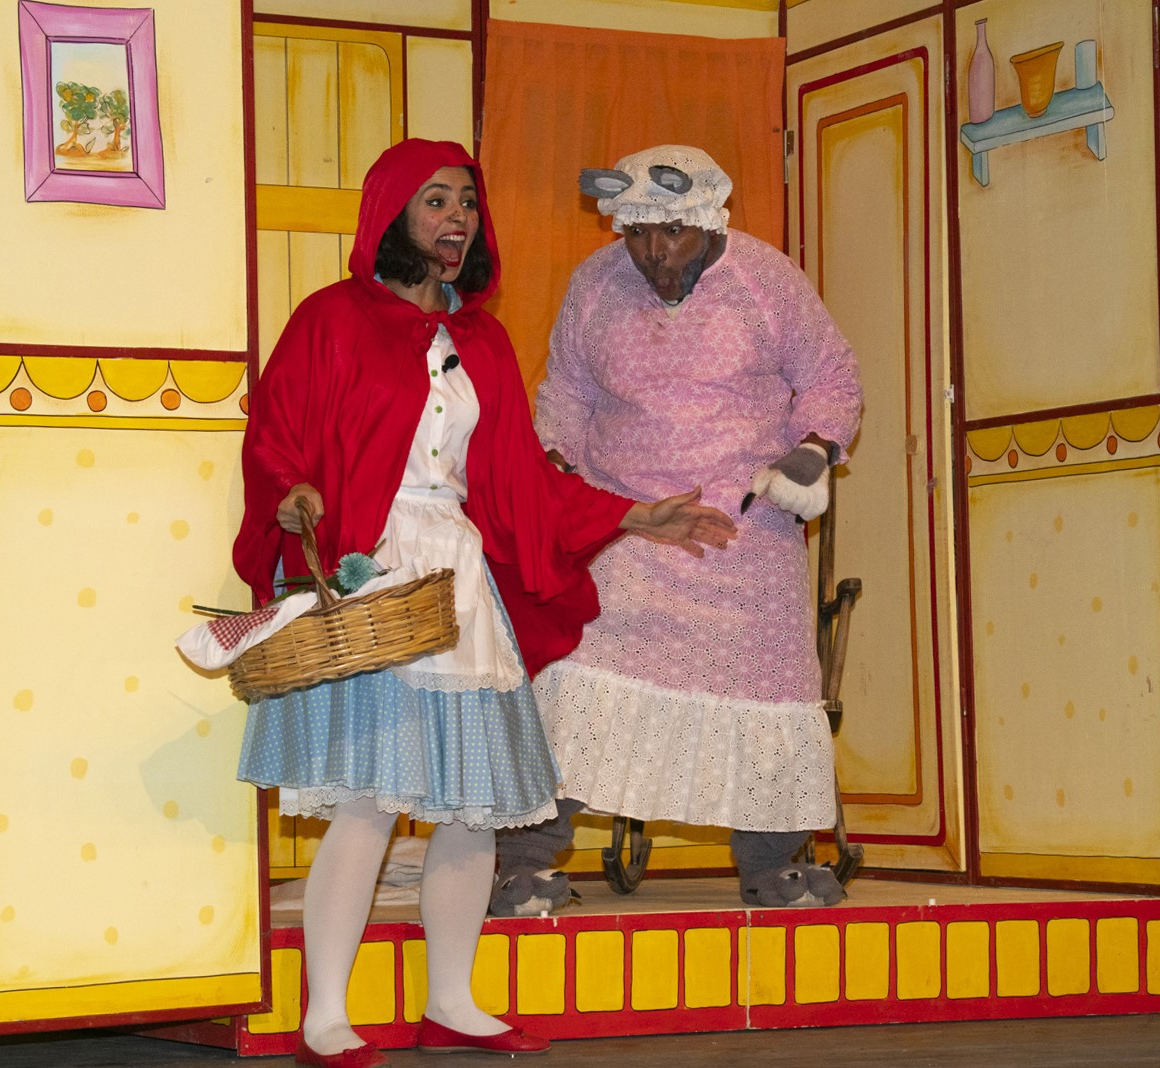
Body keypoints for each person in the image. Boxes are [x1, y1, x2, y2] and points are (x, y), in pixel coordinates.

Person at [232, 139, 736, 1068]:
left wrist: (634, 514)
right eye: (434, 201)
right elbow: (274, 438)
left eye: (465, 201)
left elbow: (521, 483)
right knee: (368, 802)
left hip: (458, 580)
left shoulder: (483, 343)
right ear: (391, 214)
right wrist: (292, 494)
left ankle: (452, 1002)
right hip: (375, 568)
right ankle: (325, 1015)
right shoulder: (329, 320)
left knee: (471, 808)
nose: (456, 217)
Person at [490, 144, 863, 917]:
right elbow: (566, 391)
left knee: (765, 696)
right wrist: (557, 470)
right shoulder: (595, 285)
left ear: (707, 219)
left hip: (742, 534)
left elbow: (829, 374)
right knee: (576, 679)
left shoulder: (765, 280)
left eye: (671, 233)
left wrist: (809, 451)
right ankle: (521, 865)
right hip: (627, 526)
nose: (653, 253)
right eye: (636, 234)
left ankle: (773, 865)